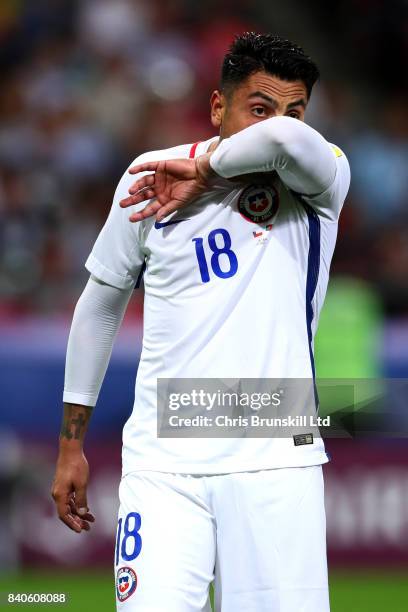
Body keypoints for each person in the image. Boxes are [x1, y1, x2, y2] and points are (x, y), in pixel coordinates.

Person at [51, 32, 350, 611]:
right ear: (218, 106)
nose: (276, 126)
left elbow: (286, 141)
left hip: (276, 461)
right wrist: (71, 444)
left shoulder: (322, 179)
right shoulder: (150, 177)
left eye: (295, 110)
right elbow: (101, 301)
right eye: (258, 109)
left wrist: (208, 169)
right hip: (163, 463)